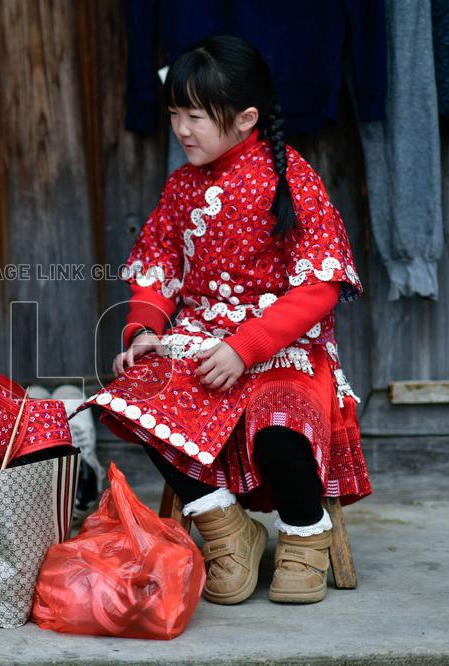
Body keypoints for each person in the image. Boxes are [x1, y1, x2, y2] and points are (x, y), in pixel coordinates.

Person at [83, 35, 371, 606]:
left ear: (245, 119)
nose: (182, 130)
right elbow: (158, 265)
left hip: (282, 345)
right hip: (197, 339)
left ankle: (304, 535)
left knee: (280, 416)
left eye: (195, 116)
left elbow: (321, 284)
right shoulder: (182, 185)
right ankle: (223, 527)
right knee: (136, 395)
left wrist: (247, 346)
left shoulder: (291, 177)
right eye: (174, 115)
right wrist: (144, 330)